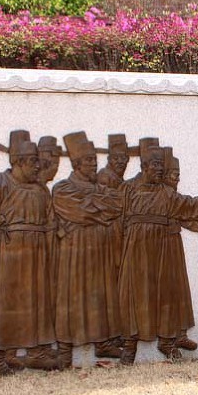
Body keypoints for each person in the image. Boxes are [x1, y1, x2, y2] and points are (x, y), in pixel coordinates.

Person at [119, 141, 198, 364]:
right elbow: (114, 216)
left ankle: (167, 341)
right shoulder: (127, 188)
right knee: (134, 294)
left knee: (164, 293)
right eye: (155, 165)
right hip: (136, 248)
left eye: (161, 165)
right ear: (144, 166)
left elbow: (187, 205)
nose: (159, 169)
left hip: (161, 249)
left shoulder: (166, 193)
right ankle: (129, 345)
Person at [0, 130, 56, 375]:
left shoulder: (41, 190)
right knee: (6, 304)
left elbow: (50, 222)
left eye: (38, 161)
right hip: (9, 253)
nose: (38, 166)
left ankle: (37, 353)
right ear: (17, 162)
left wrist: (47, 252)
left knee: (38, 302)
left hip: (37, 253)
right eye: (32, 161)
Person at [52, 131, 124, 369]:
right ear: (76, 164)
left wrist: (96, 206)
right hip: (74, 253)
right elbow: (80, 210)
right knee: (71, 298)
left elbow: (115, 206)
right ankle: (65, 350)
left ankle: (103, 342)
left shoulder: (102, 188)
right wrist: (97, 207)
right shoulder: (62, 188)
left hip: (100, 250)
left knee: (102, 294)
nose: (94, 164)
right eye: (89, 160)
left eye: (95, 160)